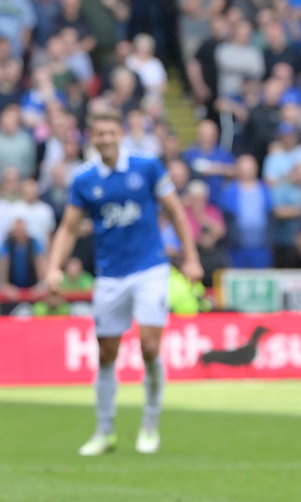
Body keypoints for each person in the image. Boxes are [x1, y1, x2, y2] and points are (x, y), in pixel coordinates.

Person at [45, 109, 203, 456]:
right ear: (92, 138)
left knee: (149, 347)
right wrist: (54, 267)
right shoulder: (84, 179)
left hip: (150, 268)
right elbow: (69, 227)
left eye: (111, 132)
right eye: (99, 134)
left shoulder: (147, 166)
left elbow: (175, 210)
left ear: (121, 134)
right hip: (110, 275)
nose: (106, 139)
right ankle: (105, 431)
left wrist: (191, 257)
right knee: (106, 353)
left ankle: (149, 425)